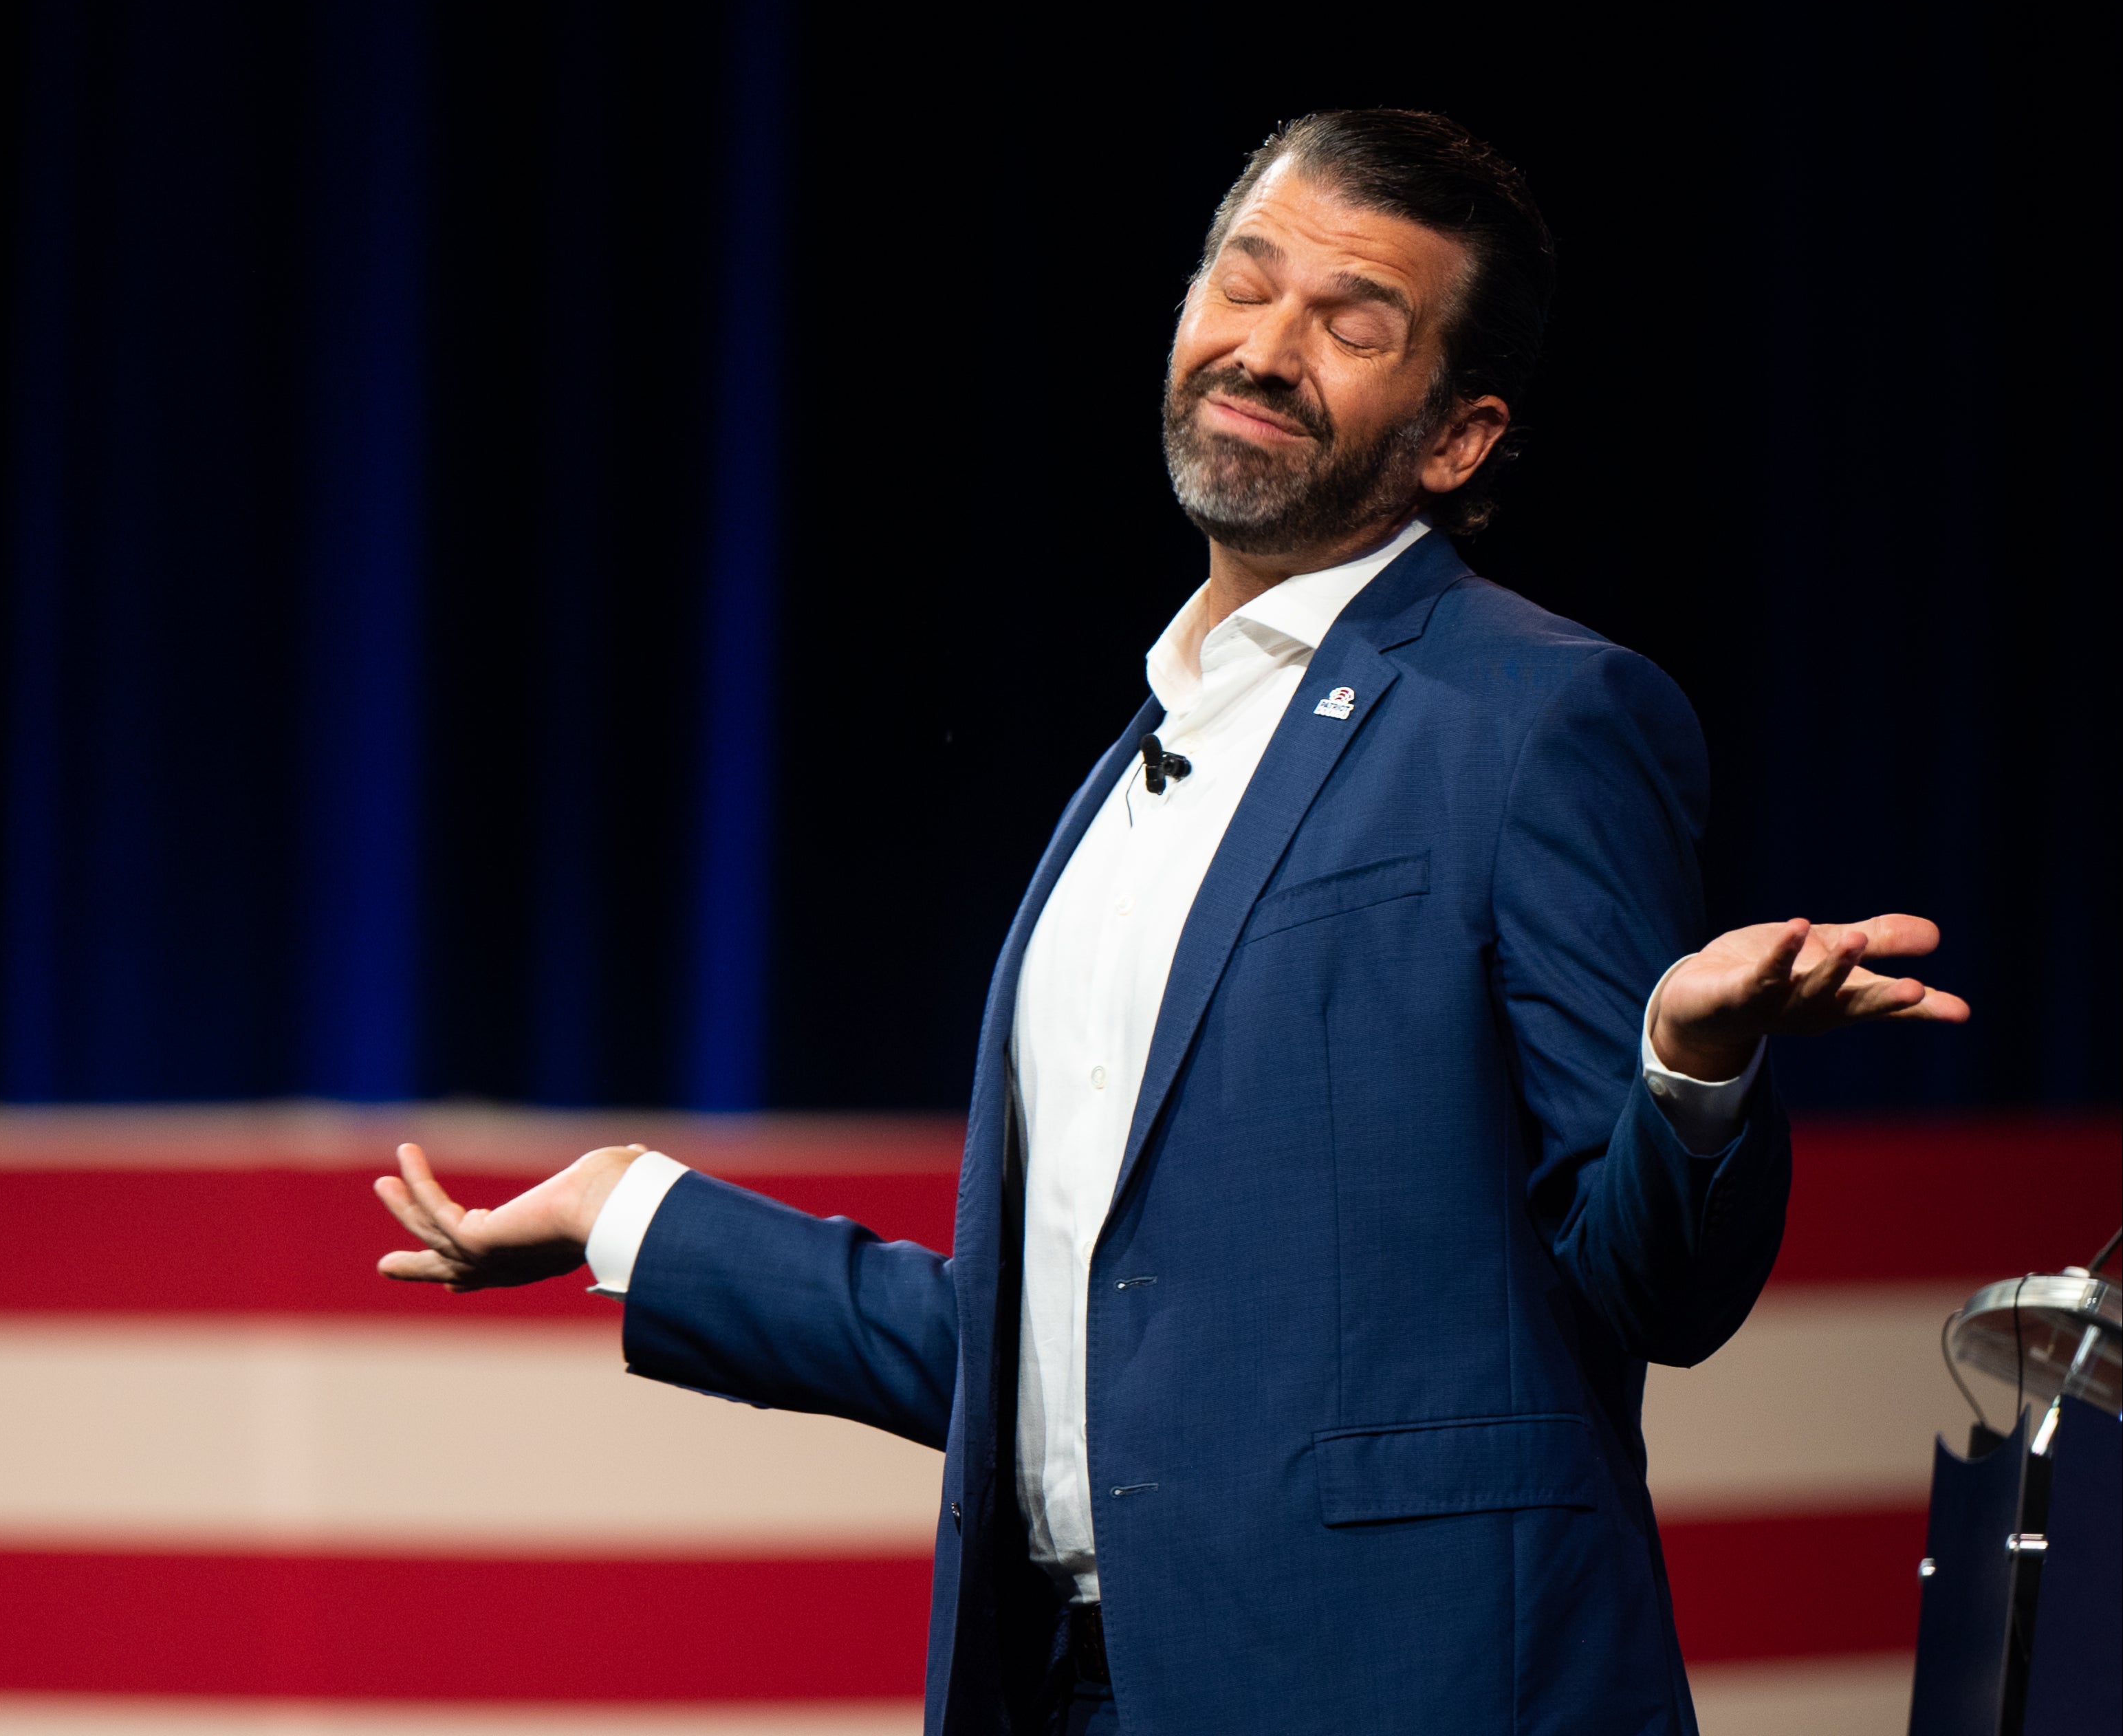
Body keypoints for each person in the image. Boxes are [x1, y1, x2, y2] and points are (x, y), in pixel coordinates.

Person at [372, 109, 1968, 1735]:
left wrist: (1685, 1070)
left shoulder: (1534, 717)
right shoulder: (1125, 783)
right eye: (1243, 281)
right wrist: (632, 1210)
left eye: (1356, 325)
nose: (1269, 349)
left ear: (1455, 439)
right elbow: (1075, 1368)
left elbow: (1655, 1292)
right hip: (1074, 1688)